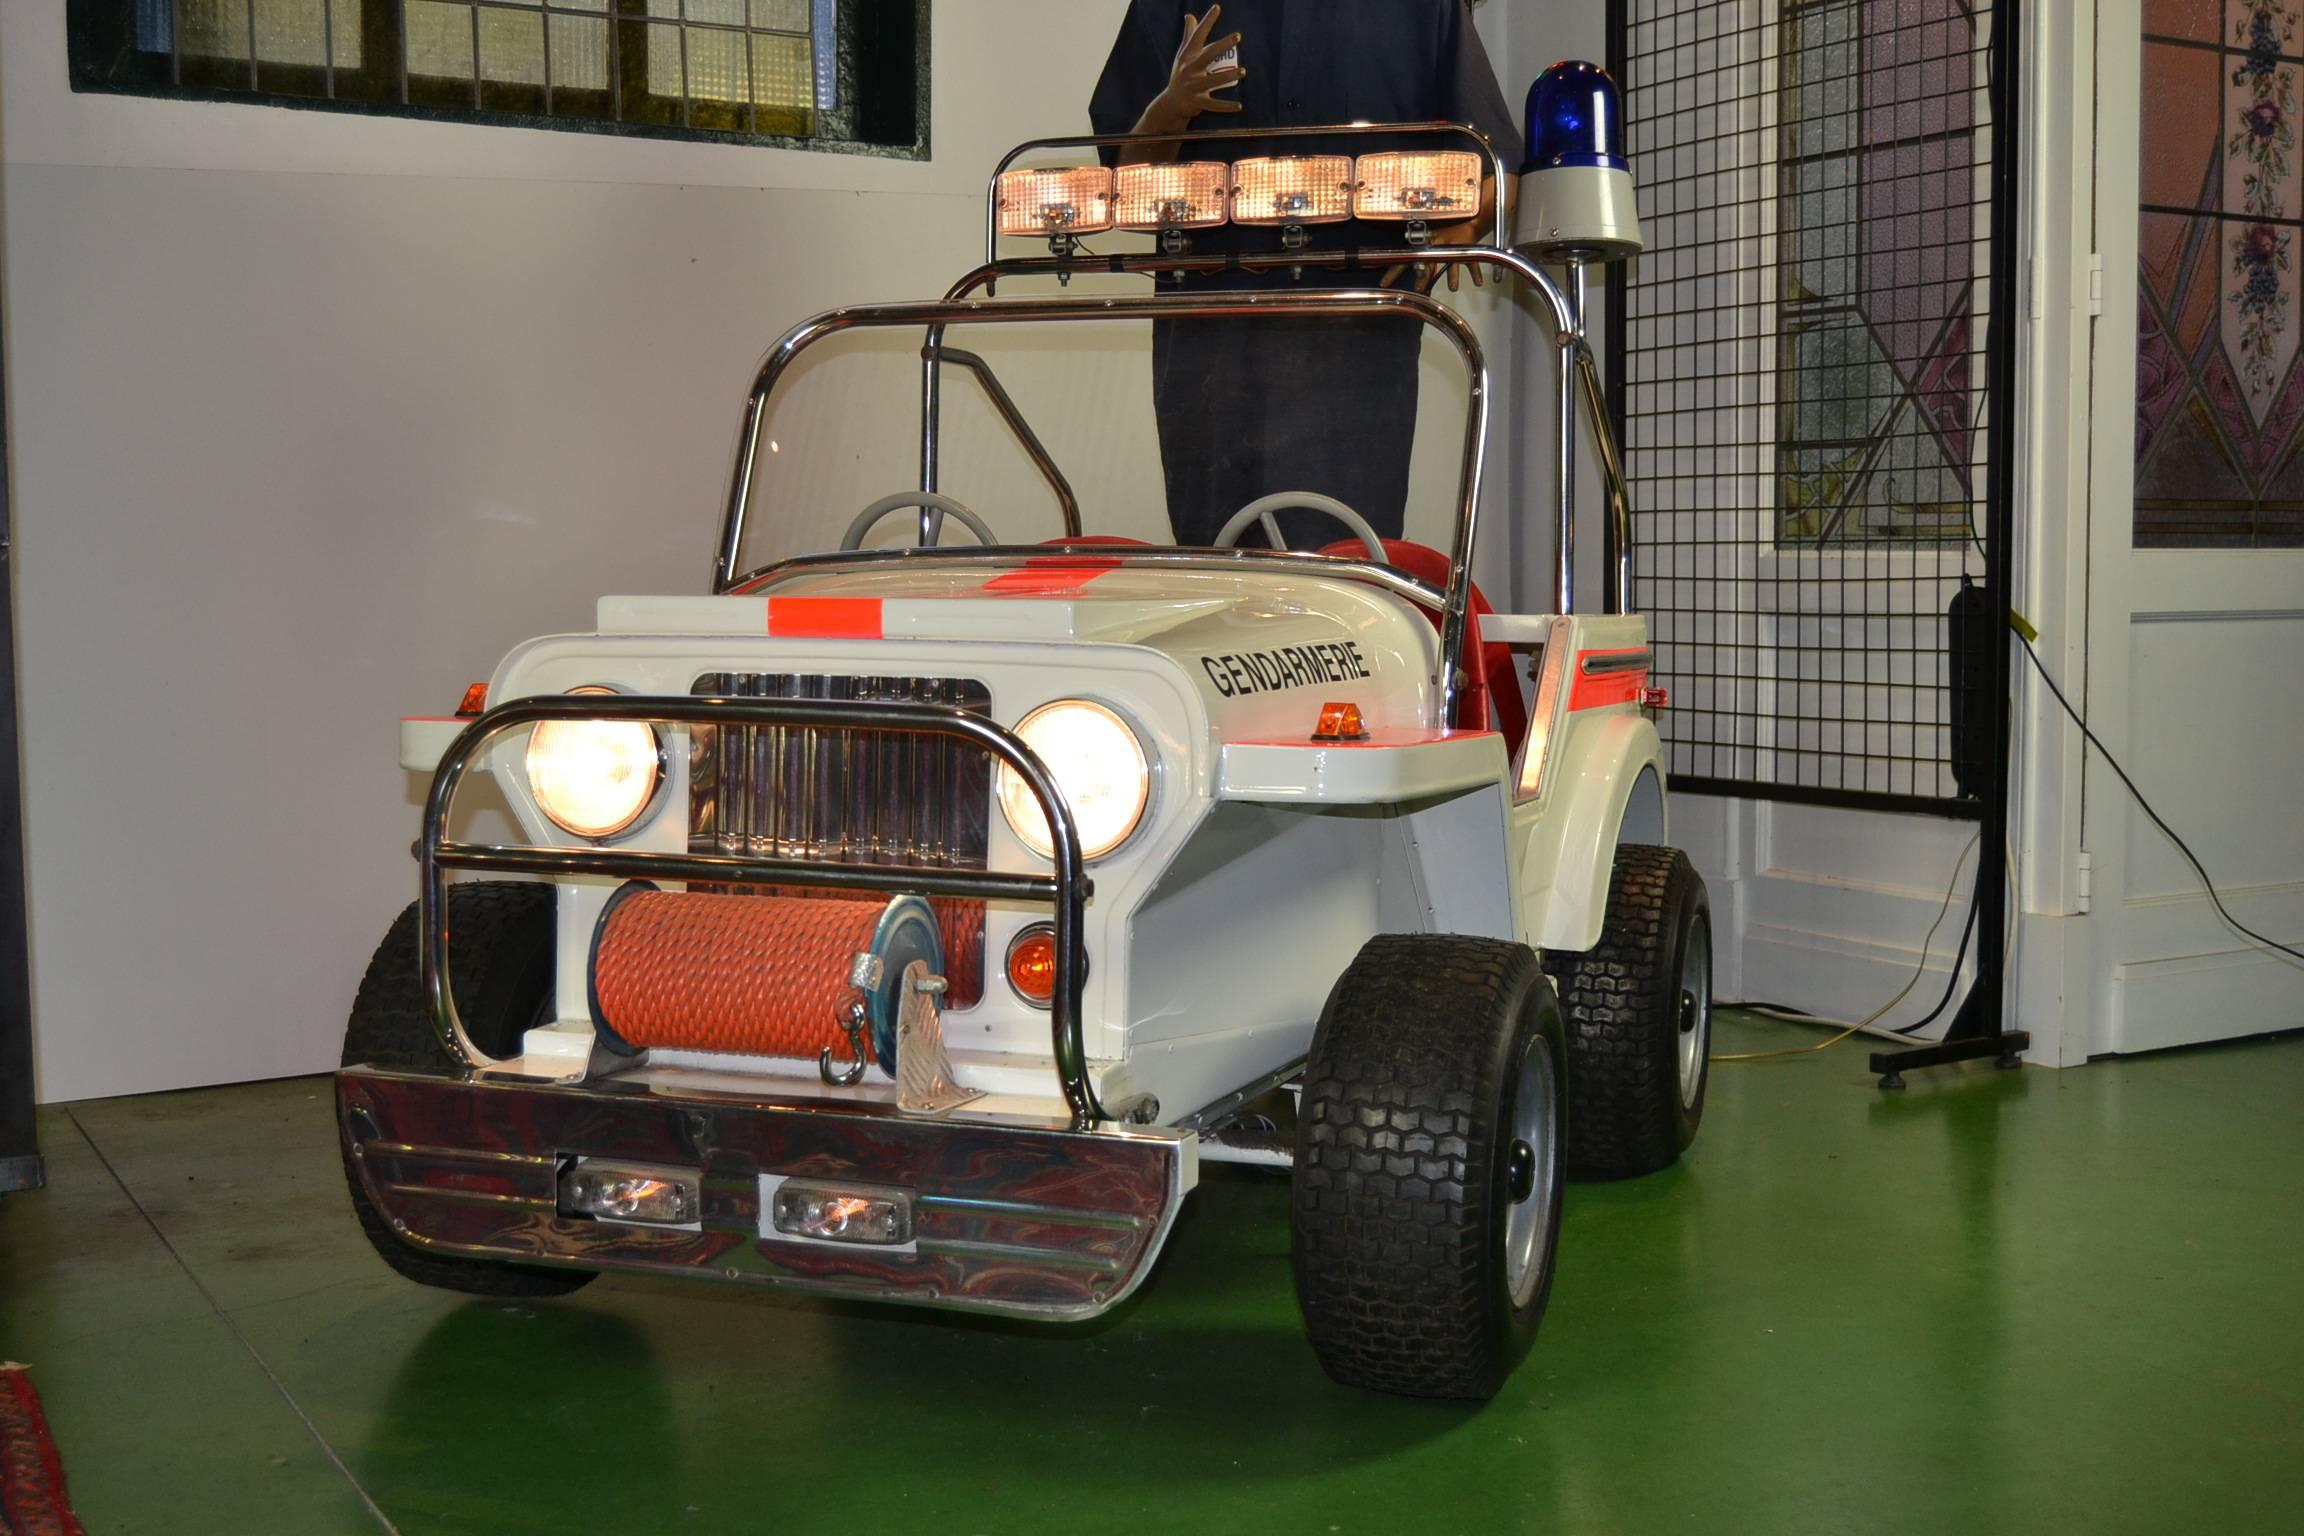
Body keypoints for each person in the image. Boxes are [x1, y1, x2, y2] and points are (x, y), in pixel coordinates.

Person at [1089, 2, 1519, 549]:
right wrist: (1170, 109)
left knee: (1344, 563)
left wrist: (1464, 228)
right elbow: (1124, 182)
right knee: (1218, 563)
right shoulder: (1173, 6)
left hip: (1353, 346)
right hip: (1213, 343)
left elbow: (1495, 167)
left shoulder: (1421, 10)